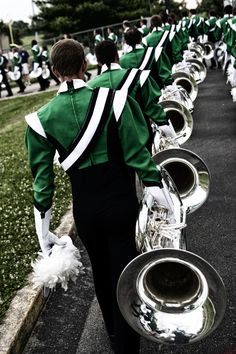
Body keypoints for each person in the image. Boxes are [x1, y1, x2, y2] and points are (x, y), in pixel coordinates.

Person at [24, 39, 176, 354]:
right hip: (121, 204)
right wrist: (169, 211)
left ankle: (111, 334)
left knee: (103, 275)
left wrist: (44, 236)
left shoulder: (40, 120)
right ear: (84, 66)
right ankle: (126, 345)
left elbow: (43, 186)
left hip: (86, 212)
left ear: (54, 72)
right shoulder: (117, 101)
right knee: (126, 275)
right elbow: (141, 162)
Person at [89, 40, 176, 151]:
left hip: (110, 150)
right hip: (142, 141)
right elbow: (153, 109)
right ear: (117, 55)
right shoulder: (139, 76)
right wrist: (171, 136)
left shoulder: (90, 88)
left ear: (98, 61)